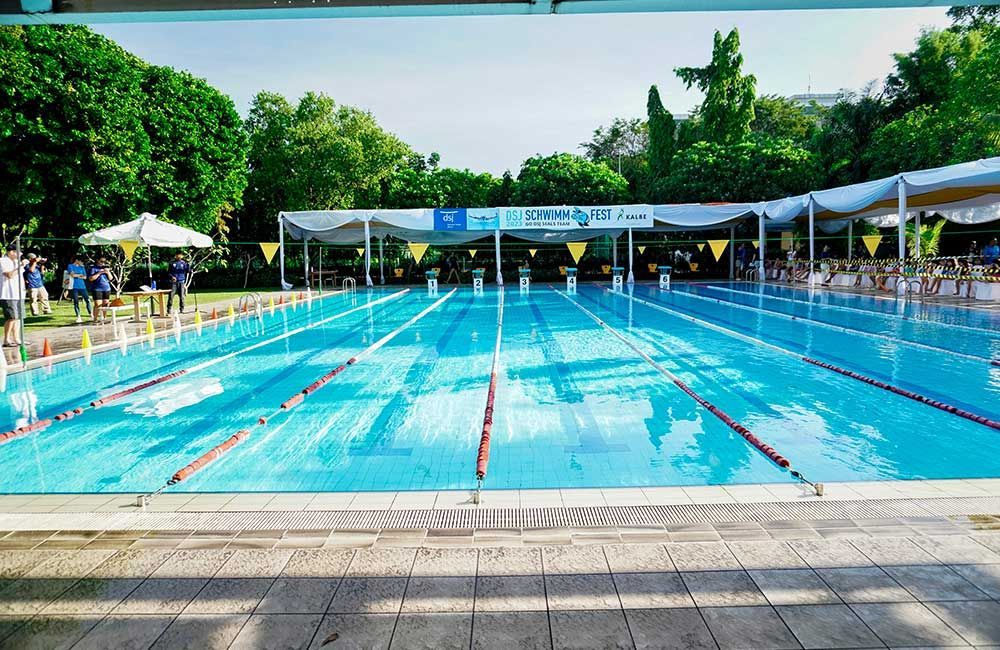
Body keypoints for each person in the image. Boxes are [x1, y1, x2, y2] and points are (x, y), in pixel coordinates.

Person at [0, 245, 24, 348]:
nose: (20, 254)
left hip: (19, 293)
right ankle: (6, 339)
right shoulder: (3, 261)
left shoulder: (18, 262)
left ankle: (16, 338)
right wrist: (19, 267)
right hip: (8, 294)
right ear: (11, 252)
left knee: (19, 317)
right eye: (17, 252)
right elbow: (9, 275)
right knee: (12, 317)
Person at [67, 255, 92, 324]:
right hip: (74, 286)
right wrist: (79, 275)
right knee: (76, 301)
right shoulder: (70, 266)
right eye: (81, 261)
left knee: (87, 300)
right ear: (77, 260)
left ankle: (90, 313)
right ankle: (78, 316)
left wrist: (77, 275)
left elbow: (85, 277)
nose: (82, 262)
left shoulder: (82, 267)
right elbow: (72, 275)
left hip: (82, 286)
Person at [88, 256, 112, 322]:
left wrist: (108, 272)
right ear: (97, 260)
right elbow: (91, 279)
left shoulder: (106, 268)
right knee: (98, 305)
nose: (103, 263)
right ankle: (95, 319)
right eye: (101, 261)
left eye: (104, 262)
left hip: (106, 288)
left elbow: (111, 278)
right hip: (97, 288)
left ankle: (104, 318)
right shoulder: (93, 269)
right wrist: (99, 273)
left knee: (105, 304)